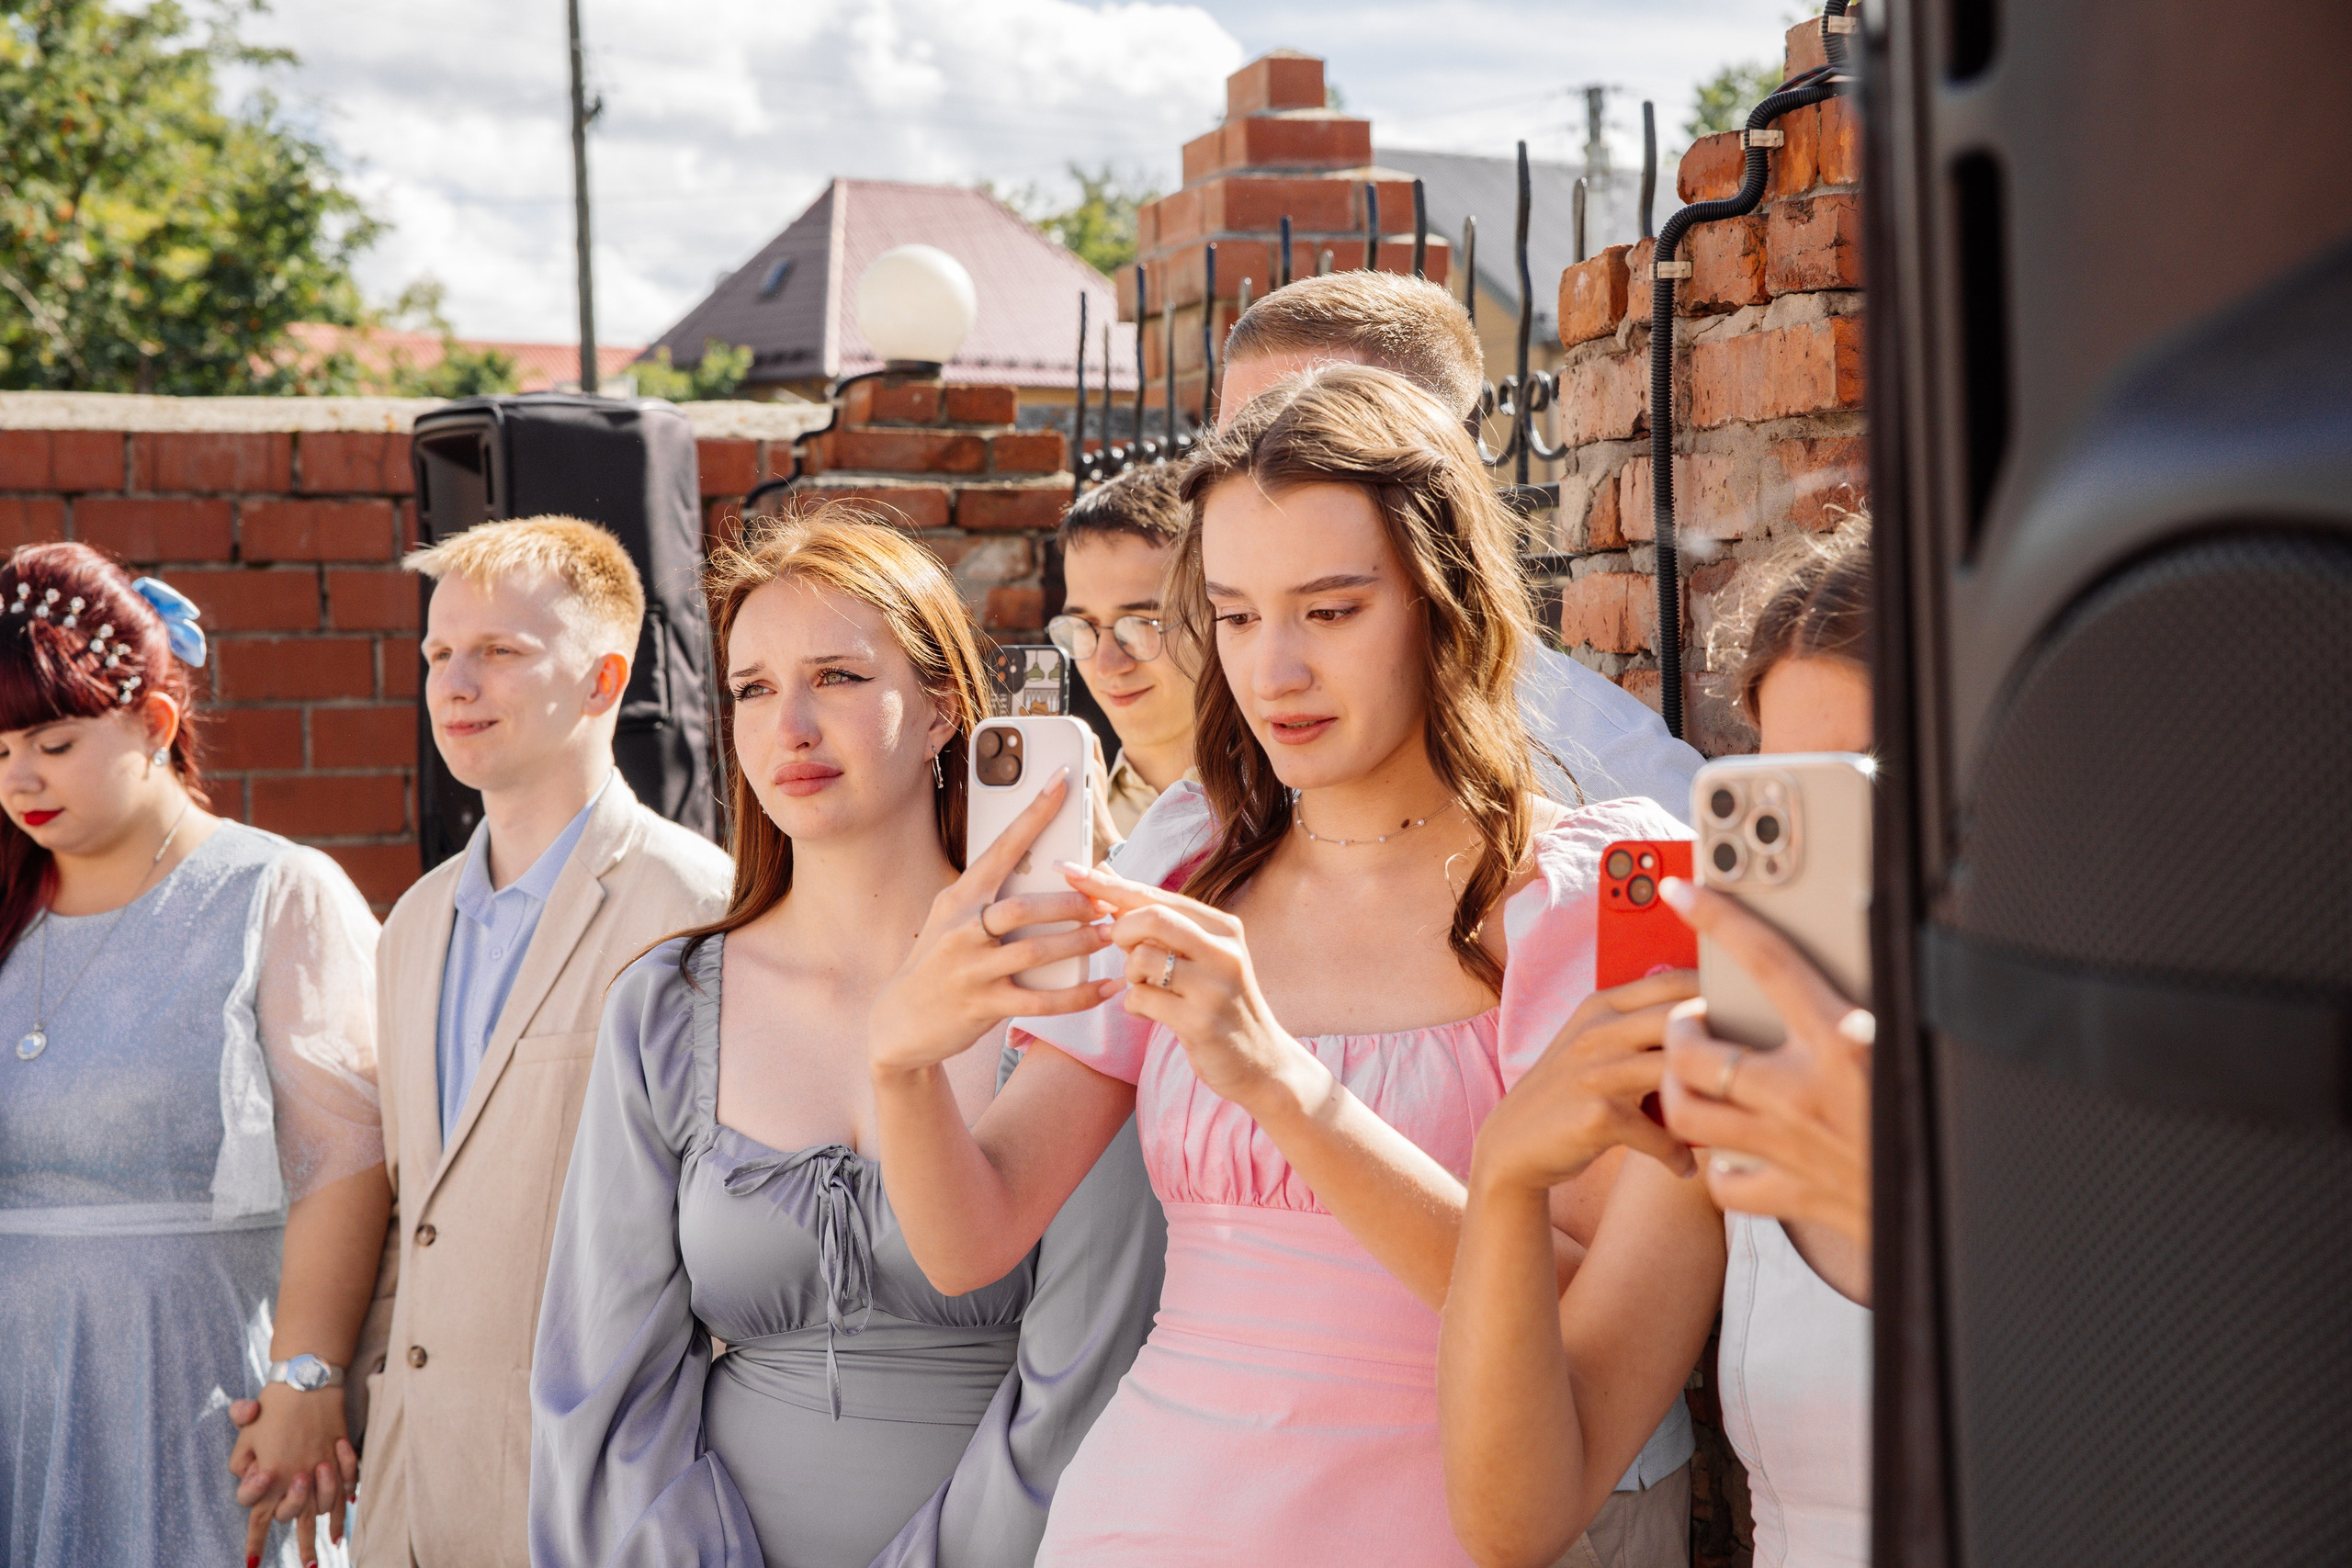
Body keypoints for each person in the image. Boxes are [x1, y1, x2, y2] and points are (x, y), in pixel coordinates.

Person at [866, 366, 1690, 1565]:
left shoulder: (1612, 890)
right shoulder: (1192, 863)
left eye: (1333, 609)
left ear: (1445, 599)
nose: (1275, 670)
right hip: (1134, 1518)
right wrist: (903, 1059)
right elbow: (970, 1237)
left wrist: (1282, 1084)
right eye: (1239, 615)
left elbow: (1582, 1314)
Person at [530, 509, 1159, 1568]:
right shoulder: (666, 1003)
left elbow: (1089, 1376)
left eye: (838, 677)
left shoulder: (1073, 980)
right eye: (753, 689)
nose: (792, 728)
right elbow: (599, 1385)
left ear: (940, 709)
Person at [1440, 522, 1877, 1568]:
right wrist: (1505, 1179)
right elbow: (1520, 1517)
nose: (1835, 854)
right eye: (1785, 800)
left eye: (1866, 789)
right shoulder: (1740, 1104)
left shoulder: (2144, 1079)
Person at [336, 516, 731, 1568]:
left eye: (500, 652)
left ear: (603, 681)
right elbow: (414, 1213)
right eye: (438, 654)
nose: (455, 684)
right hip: (409, 1506)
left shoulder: (693, 906)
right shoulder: (413, 923)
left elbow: (732, 1242)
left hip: (589, 1503)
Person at [0, 542, 386, 1568]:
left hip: (200, 1387)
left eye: (53, 740)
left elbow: (345, 1163)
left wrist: (311, 1376)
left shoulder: (273, 892)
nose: (20, 777)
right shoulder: (7, 914)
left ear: (156, 725)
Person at [1216, 269, 1703, 821]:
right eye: (1236, 441)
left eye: (1313, 433)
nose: (1260, 472)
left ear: (1445, 469)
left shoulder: (1609, 779)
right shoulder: (1222, 747)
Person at [1048, 462, 1198, 848]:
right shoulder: (1054, 823)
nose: (1106, 665)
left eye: (1140, 624)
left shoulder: (1297, 813)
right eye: (1082, 627)